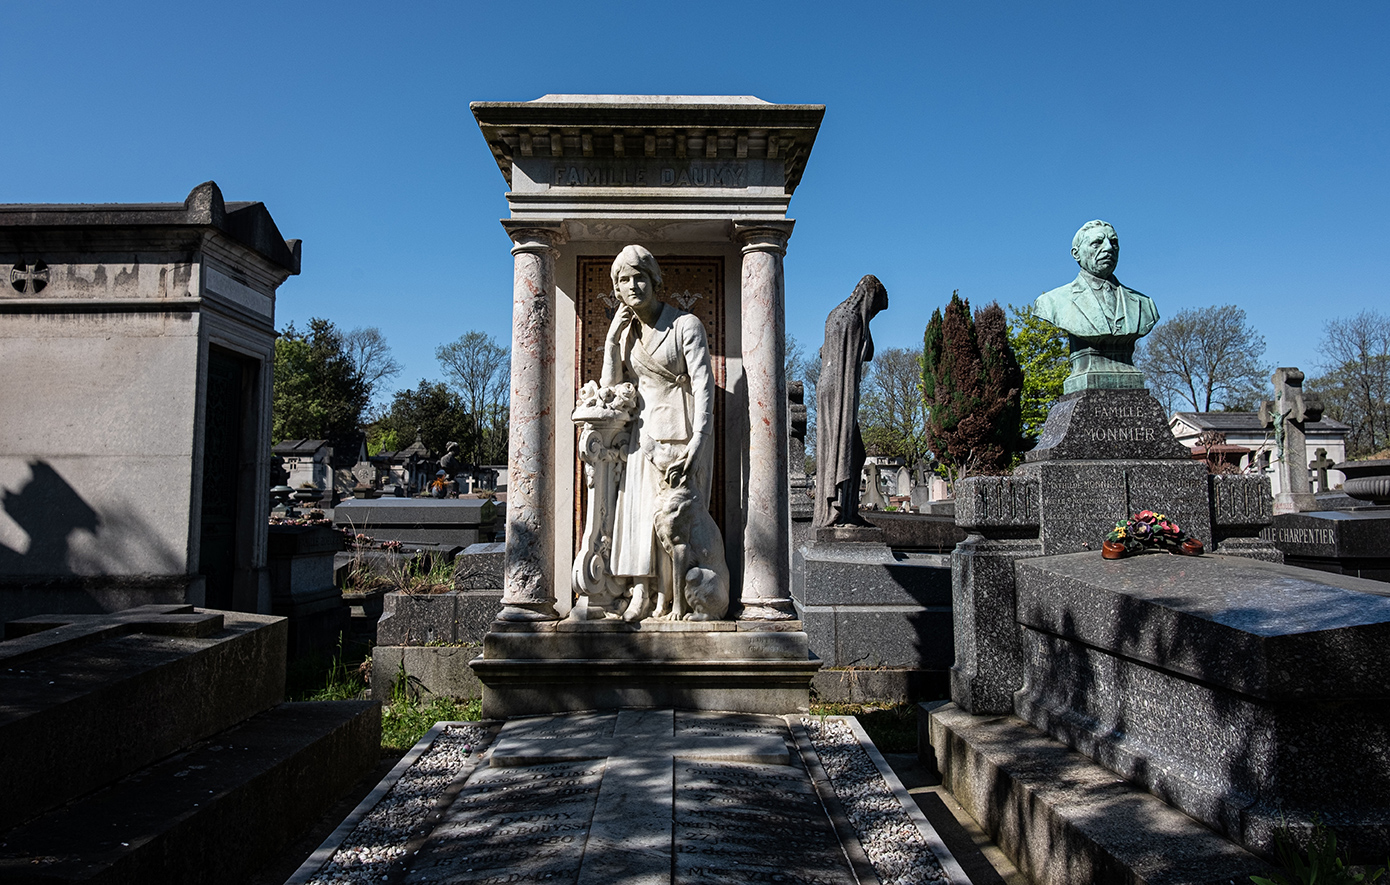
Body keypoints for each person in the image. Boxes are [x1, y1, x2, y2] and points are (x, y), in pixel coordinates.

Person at [600, 245, 723, 619]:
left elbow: (704, 384)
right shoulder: (627, 337)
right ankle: (643, 593)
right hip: (642, 437)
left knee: (675, 524)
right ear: (617, 290)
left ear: (655, 280)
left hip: (680, 437)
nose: (633, 285)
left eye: (640, 276)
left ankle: (675, 599)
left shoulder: (685, 325)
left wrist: (700, 440)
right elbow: (610, 391)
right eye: (624, 280)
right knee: (639, 517)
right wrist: (610, 340)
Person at [814, 274, 889, 528]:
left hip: (827, 387)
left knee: (850, 451)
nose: (873, 316)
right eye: (875, 310)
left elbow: (826, 351)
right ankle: (841, 514)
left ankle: (844, 511)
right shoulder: (853, 319)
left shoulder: (836, 314)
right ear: (869, 298)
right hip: (840, 391)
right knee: (847, 451)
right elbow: (866, 354)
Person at [1035, 220, 1158, 346]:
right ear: (1076, 254)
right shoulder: (1051, 302)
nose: (1109, 248)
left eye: (1113, 242)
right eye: (1097, 243)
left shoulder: (1145, 304)